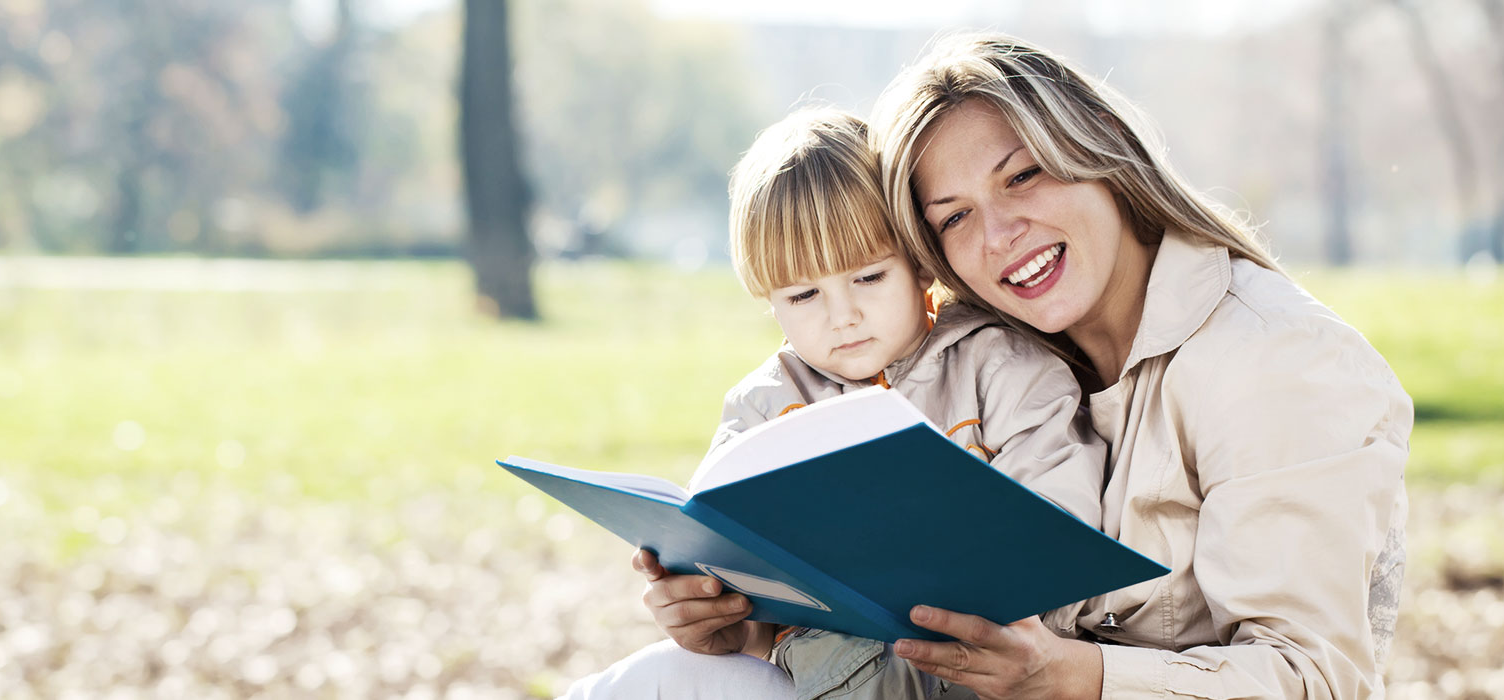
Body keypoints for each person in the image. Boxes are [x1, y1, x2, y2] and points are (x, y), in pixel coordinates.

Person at [858, 34, 1410, 698]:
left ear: (1103, 140)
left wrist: (1071, 675)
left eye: (1023, 175)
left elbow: (1314, 680)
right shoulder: (986, 365)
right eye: (955, 217)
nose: (999, 234)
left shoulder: (1273, 357)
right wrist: (753, 622)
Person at [565, 107, 1109, 699]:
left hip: (977, 679)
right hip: (820, 682)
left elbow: (1065, 528)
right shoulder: (762, 410)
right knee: (641, 681)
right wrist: (716, 620)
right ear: (768, 301)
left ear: (920, 263)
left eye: (869, 278)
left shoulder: (1000, 367)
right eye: (803, 294)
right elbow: (746, 593)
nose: (842, 316)